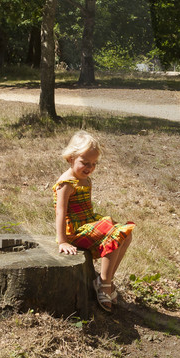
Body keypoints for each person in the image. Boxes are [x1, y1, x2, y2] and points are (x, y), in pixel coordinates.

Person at [53, 130, 135, 311]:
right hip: (75, 231)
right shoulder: (66, 183)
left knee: (125, 234)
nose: (89, 168)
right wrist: (62, 241)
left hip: (87, 221)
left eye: (94, 164)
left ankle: (106, 279)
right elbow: (60, 211)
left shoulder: (85, 179)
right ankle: (104, 284)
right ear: (70, 158)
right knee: (115, 235)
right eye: (85, 163)